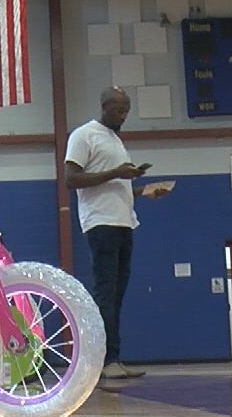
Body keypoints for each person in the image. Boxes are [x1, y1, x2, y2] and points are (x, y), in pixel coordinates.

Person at [64, 87, 168, 380]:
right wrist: (115, 173)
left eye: (127, 110)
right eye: (119, 110)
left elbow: (115, 189)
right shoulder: (84, 135)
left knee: (116, 295)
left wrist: (143, 192)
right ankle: (104, 360)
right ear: (104, 105)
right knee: (105, 294)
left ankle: (113, 357)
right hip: (101, 224)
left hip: (123, 222)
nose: (123, 115)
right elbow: (71, 179)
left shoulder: (115, 141)